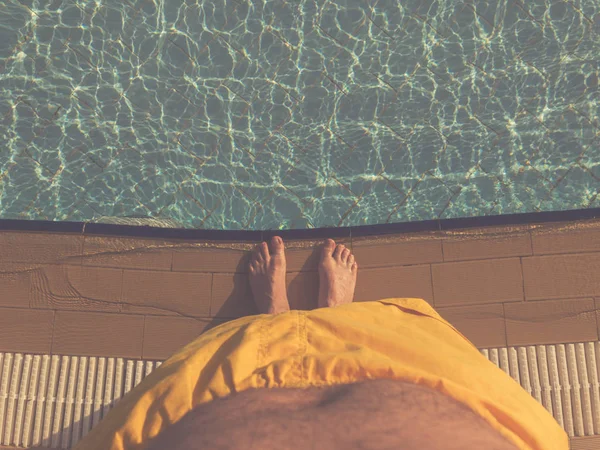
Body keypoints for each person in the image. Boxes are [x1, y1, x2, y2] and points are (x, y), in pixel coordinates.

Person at [73, 238, 569, 450]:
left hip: (185, 409)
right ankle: (333, 314)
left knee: (241, 342)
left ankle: (273, 317)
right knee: (380, 329)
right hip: (451, 392)